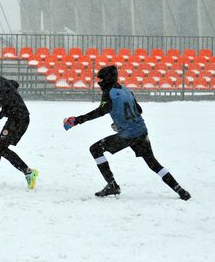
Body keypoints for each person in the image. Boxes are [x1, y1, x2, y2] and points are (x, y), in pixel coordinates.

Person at [63, 65, 191, 200]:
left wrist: (77, 120)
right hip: (141, 132)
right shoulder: (126, 90)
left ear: (106, 79)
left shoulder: (109, 92)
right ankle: (180, 190)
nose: (98, 82)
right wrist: (120, 122)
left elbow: (101, 111)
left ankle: (112, 185)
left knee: (95, 149)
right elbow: (139, 110)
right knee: (153, 163)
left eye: (100, 79)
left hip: (127, 135)